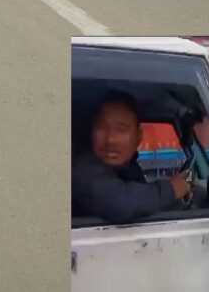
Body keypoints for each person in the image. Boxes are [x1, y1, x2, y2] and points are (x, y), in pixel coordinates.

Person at [71, 91, 196, 224]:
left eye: (121, 129)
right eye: (102, 128)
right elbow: (120, 203)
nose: (111, 139)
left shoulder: (128, 167)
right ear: (91, 133)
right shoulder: (81, 171)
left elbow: (141, 205)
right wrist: (171, 190)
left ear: (139, 137)